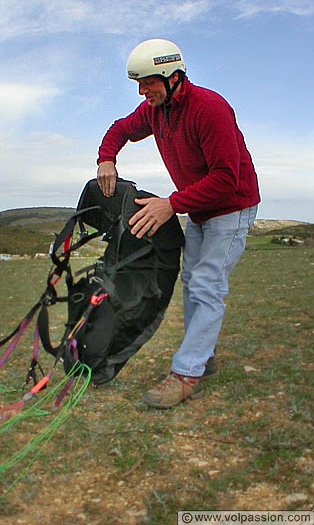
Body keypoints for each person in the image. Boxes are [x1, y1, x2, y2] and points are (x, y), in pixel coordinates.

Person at [96, 38, 260, 408]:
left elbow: (225, 178)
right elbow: (120, 129)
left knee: (206, 284)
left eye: (148, 82)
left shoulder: (210, 108)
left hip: (231, 208)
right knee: (192, 281)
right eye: (137, 84)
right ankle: (204, 355)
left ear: (172, 75)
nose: (142, 91)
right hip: (200, 208)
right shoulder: (156, 110)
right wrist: (106, 159)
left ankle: (187, 373)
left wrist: (171, 204)